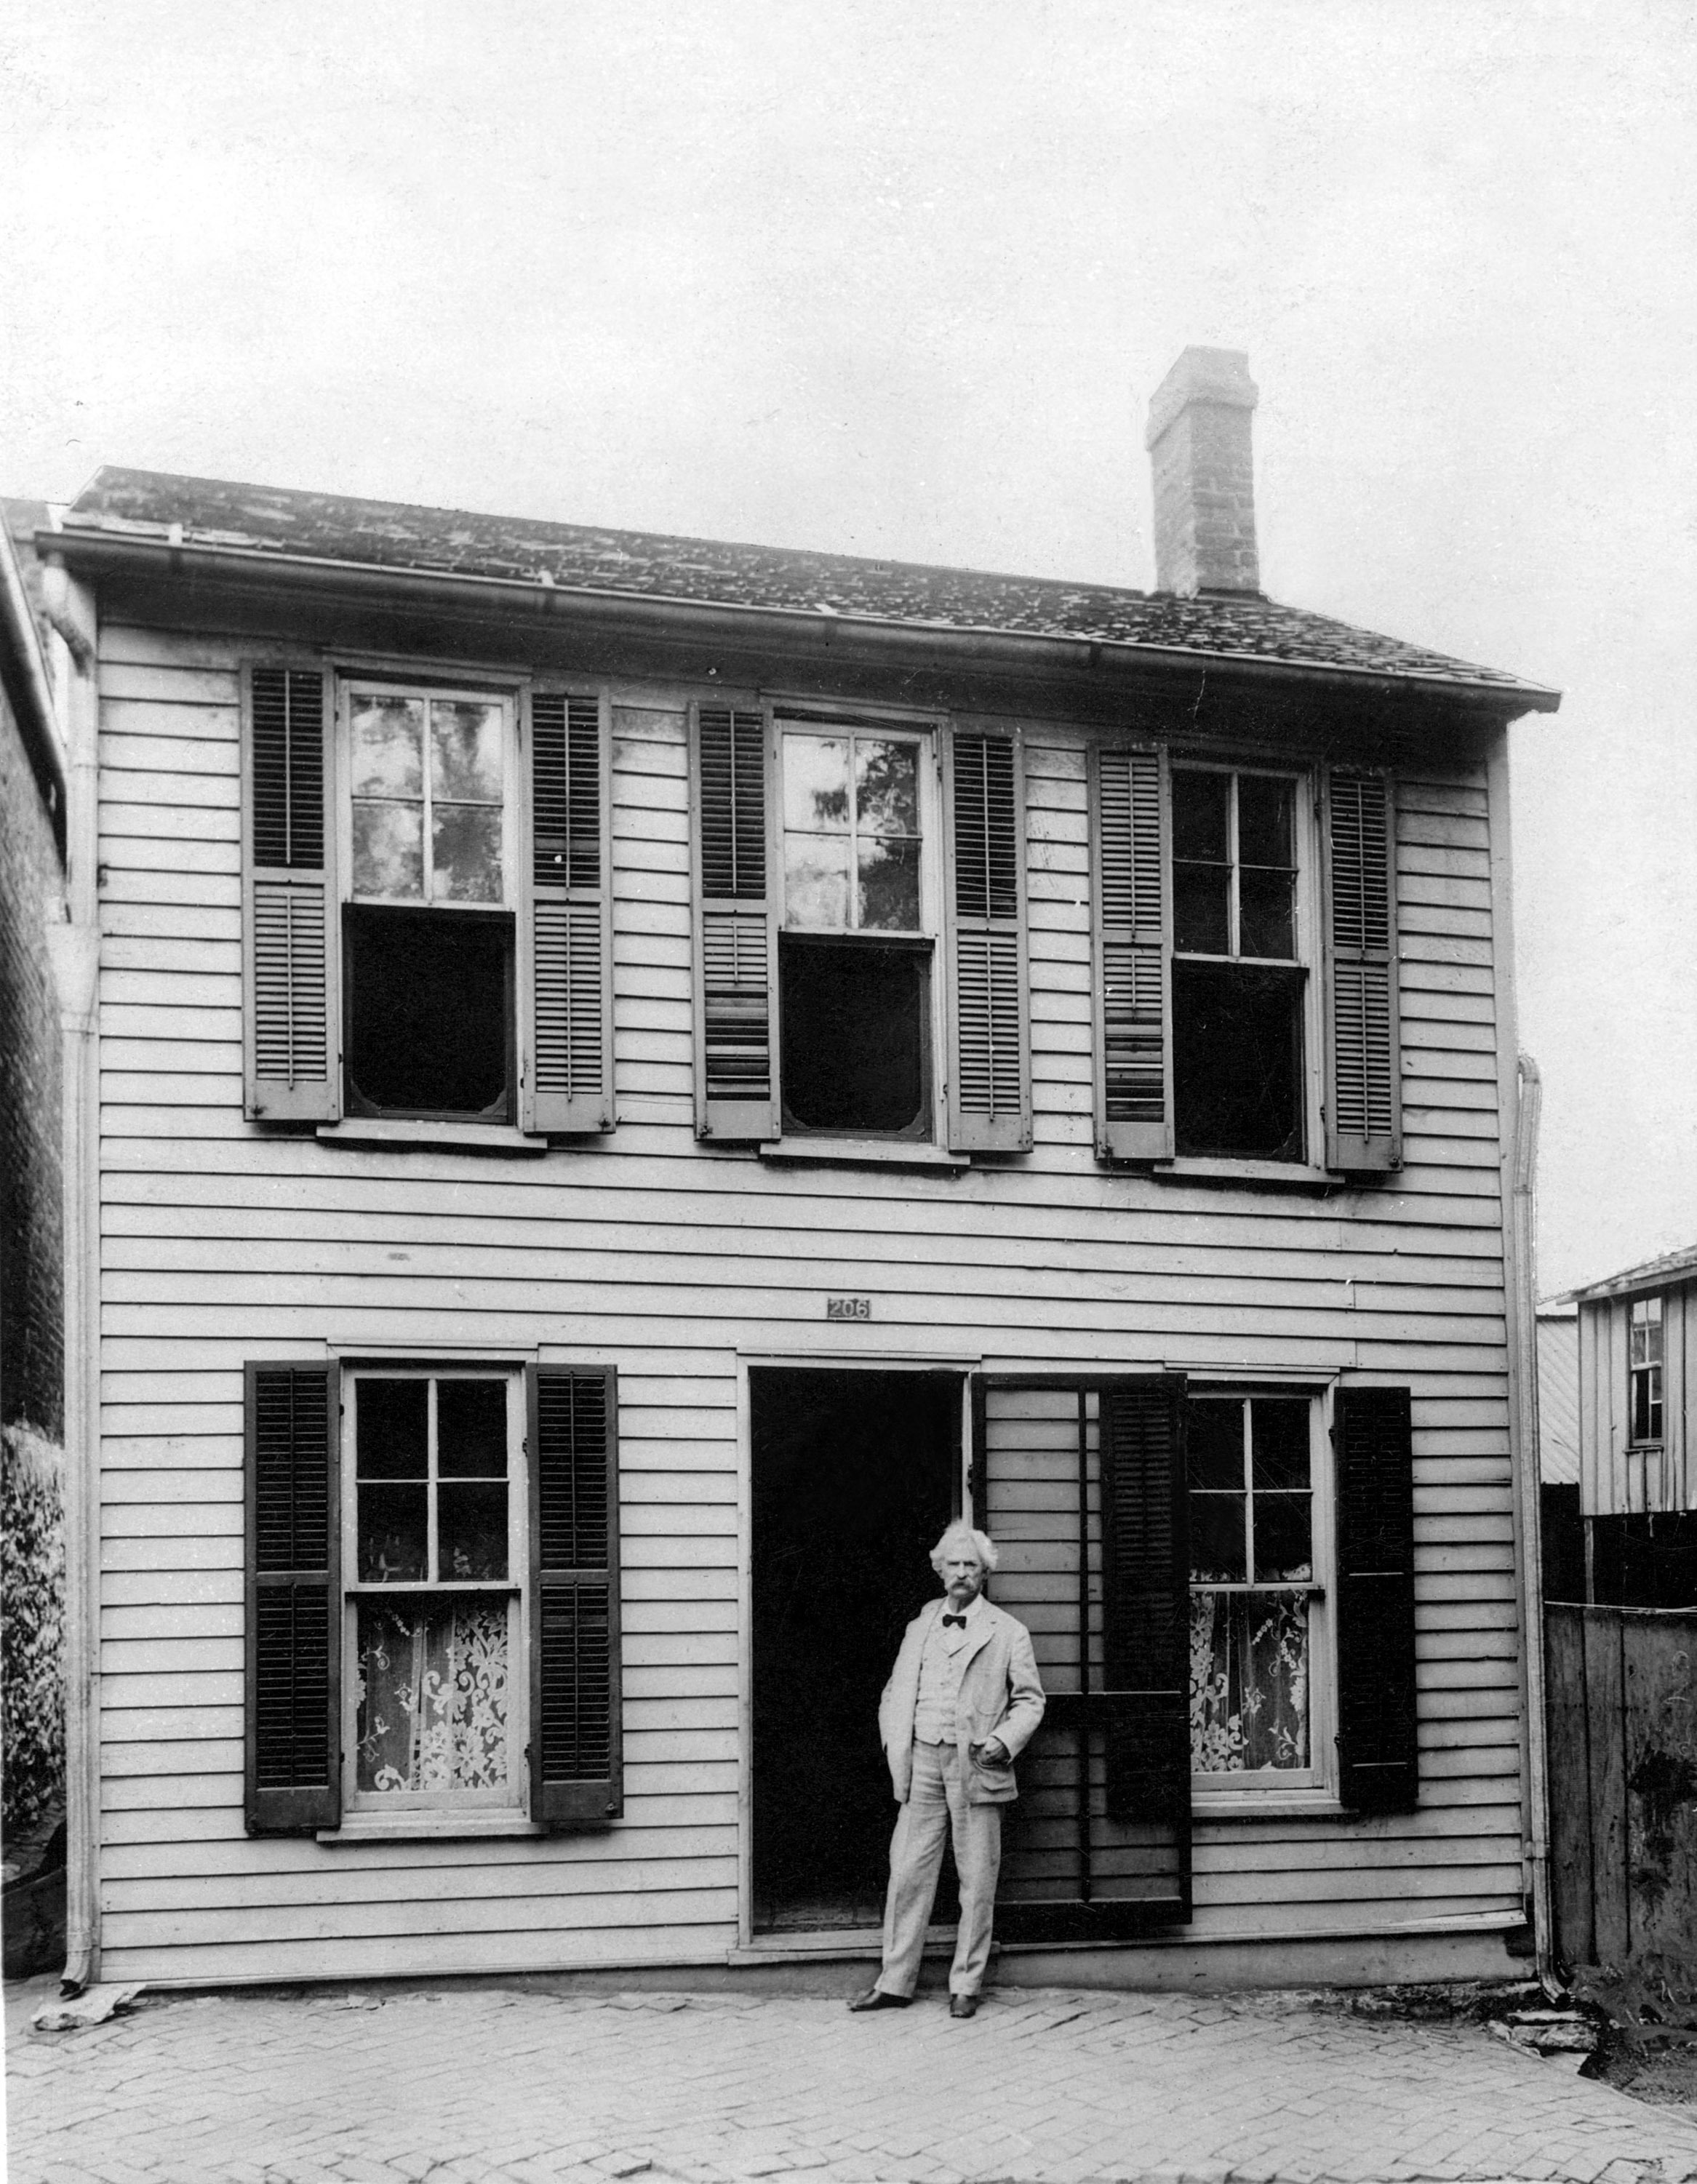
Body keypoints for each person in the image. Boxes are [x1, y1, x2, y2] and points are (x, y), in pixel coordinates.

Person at [848, 1521, 1045, 2020]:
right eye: (953, 1564)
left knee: (976, 1877)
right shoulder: (920, 1625)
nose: (961, 1572)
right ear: (939, 1569)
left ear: (984, 1574)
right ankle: (895, 1980)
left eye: (971, 1565)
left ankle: (967, 1982)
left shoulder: (1007, 1631)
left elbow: (1029, 1702)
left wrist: (1002, 1741)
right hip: (922, 1764)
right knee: (908, 1872)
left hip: (976, 1765)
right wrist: (897, 1741)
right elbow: (893, 1690)